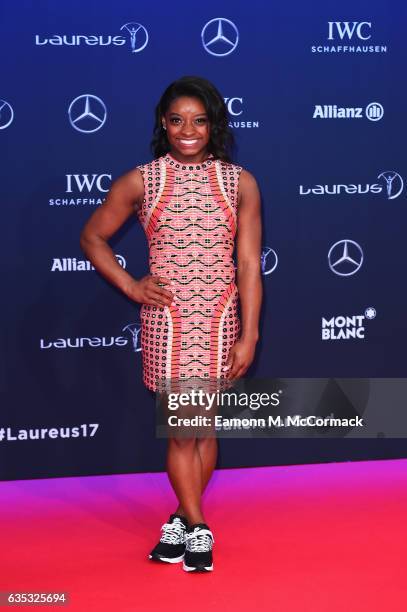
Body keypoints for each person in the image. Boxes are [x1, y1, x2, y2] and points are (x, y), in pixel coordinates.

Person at [79, 75, 262, 572]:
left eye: (199, 121)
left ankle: (181, 519)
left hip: (221, 320)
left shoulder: (239, 182)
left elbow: (248, 265)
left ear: (213, 125)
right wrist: (132, 285)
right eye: (178, 120)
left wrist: (250, 333)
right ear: (164, 122)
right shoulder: (143, 180)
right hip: (170, 323)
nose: (188, 130)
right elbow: (93, 237)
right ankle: (200, 528)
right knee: (183, 431)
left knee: (203, 429)